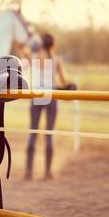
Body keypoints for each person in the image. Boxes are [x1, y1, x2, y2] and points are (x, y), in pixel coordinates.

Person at [25, 33, 69, 181]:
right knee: (49, 133)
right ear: (53, 44)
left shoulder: (34, 56)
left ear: (41, 44)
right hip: (51, 97)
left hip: (37, 95)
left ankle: (29, 172)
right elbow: (63, 81)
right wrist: (67, 85)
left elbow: (22, 49)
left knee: (33, 133)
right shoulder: (57, 60)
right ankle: (48, 172)